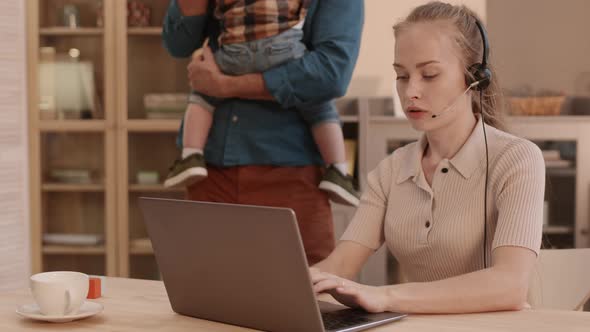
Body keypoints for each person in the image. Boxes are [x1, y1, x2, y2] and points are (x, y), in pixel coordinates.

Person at [310, 1, 545, 314]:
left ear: (475, 77)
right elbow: (340, 265)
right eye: (402, 76)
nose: (411, 93)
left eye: (430, 75)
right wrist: (292, 283)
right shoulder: (390, 170)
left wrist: (386, 296)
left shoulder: (518, 159)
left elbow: (510, 285)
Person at [162, 0, 364, 264]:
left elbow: (331, 73)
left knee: (305, 292)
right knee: (205, 288)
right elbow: (177, 45)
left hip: (293, 174)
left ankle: (339, 171)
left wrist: (227, 86)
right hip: (210, 171)